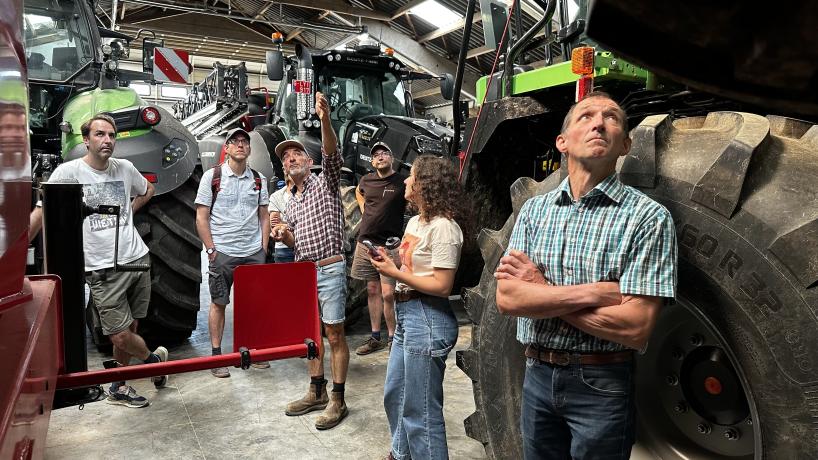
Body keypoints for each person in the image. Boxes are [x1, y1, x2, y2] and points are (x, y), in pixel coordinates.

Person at [494, 92, 677, 460]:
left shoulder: (648, 219)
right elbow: (509, 299)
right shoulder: (534, 211)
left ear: (625, 144)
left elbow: (634, 327)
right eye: (586, 116)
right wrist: (598, 292)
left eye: (612, 118)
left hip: (602, 385)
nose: (598, 123)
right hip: (537, 376)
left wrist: (542, 292)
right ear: (562, 142)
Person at [29, 113, 167, 408]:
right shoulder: (68, 173)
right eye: (100, 135)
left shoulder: (125, 168)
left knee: (131, 330)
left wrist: (129, 211)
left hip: (136, 258)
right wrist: (15, 249)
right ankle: (154, 361)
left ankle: (119, 385)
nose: (107, 140)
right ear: (86, 139)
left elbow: (148, 190)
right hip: (101, 267)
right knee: (119, 336)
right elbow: (43, 212)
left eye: (112, 135)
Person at [370, 155, 470, 460]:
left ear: (425, 184)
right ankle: (401, 454)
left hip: (428, 317)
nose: (405, 181)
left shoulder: (445, 229)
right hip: (407, 316)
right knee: (395, 396)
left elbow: (441, 286)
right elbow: (415, 265)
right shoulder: (416, 222)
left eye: (411, 176)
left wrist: (394, 273)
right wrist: (391, 260)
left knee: (421, 412)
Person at [271, 92, 350, 430]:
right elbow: (295, 241)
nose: (291, 159)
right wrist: (282, 235)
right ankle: (315, 390)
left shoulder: (327, 183)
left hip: (330, 267)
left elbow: (332, 151)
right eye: (286, 157)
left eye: (297, 153)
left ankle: (337, 399)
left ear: (311, 159)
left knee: (334, 334)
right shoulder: (293, 202)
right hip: (305, 272)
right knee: (311, 336)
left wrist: (326, 121)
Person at [195, 127, 270, 378]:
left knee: (253, 305)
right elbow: (201, 216)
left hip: (252, 252)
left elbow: (264, 216)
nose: (240, 145)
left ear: (249, 149)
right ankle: (217, 356)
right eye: (235, 141)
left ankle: (253, 351)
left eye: (244, 142)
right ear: (226, 148)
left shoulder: (259, 179)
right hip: (223, 252)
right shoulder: (212, 177)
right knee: (218, 303)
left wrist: (263, 248)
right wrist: (211, 249)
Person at [351, 141, 406, 355]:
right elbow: (358, 191)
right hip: (366, 243)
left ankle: (393, 337)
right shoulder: (367, 180)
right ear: (372, 161)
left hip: (389, 245)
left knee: (389, 293)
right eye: (376, 155)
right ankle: (376, 337)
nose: (380, 156)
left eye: (385, 153)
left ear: (391, 158)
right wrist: (364, 208)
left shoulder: (401, 182)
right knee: (372, 290)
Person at [268, 174, 294, 263]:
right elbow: (275, 226)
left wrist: (284, 223)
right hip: (283, 249)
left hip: (307, 248)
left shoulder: (310, 192)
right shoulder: (276, 196)